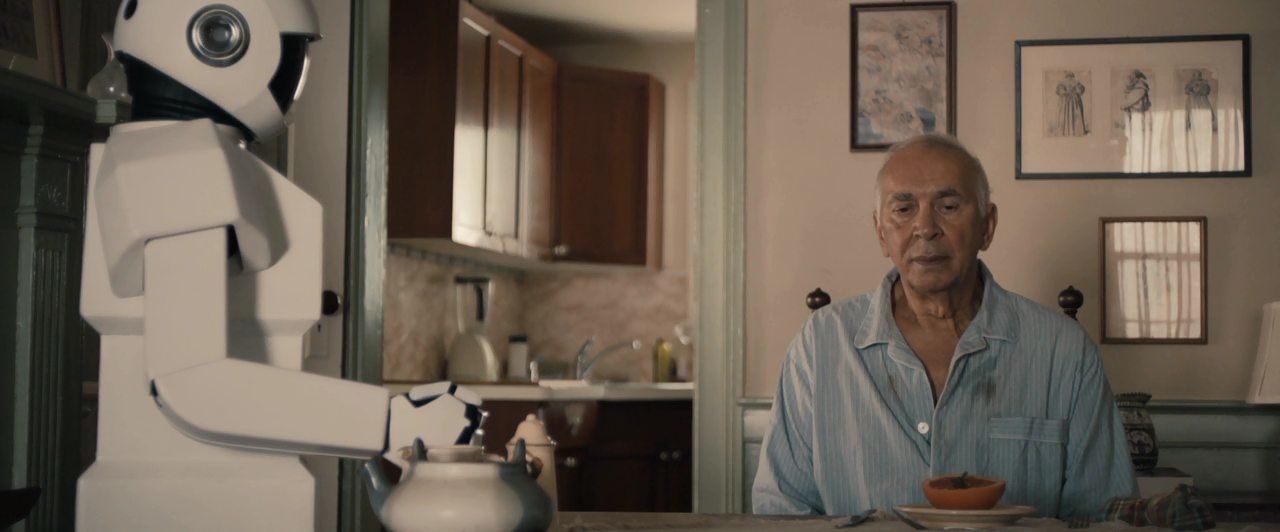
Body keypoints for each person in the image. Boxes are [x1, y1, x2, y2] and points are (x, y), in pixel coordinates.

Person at [752, 134, 1137, 519]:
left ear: (987, 226)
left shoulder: (1063, 351)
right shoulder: (821, 345)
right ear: (881, 233)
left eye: (948, 206)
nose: (925, 227)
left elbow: (1103, 517)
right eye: (903, 209)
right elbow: (782, 512)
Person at [1055, 71, 1089, 136]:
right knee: (1068, 114)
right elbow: (1080, 90)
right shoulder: (1075, 81)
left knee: (1073, 115)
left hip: (1069, 100)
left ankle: (1071, 131)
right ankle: (1071, 131)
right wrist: (1072, 92)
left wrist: (1066, 92)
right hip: (1072, 100)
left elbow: (1081, 90)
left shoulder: (1065, 82)